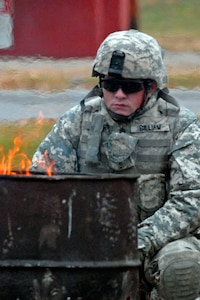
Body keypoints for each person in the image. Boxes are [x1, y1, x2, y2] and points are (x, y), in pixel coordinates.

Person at [30, 30, 200, 300]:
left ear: (152, 87)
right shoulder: (78, 121)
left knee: (182, 267)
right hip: (89, 242)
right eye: (110, 85)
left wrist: (138, 241)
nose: (118, 94)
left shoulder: (180, 126)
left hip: (156, 242)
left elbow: (191, 201)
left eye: (130, 87)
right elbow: (42, 185)